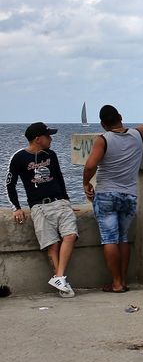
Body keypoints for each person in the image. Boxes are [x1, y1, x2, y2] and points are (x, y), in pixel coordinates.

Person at [83, 105, 143, 293]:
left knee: (109, 239)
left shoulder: (103, 140)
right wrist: (137, 129)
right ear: (120, 116)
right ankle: (123, 281)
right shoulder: (137, 135)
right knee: (123, 238)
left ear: (102, 124)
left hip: (107, 194)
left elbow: (90, 165)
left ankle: (116, 283)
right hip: (129, 194)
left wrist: (86, 183)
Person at [5, 122, 78, 297]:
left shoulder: (51, 155)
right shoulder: (19, 157)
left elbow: (59, 178)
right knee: (51, 243)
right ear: (38, 139)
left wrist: (66, 201)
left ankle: (59, 276)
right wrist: (16, 207)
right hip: (39, 206)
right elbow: (9, 184)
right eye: (48, 136)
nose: (51, 139)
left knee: (70, 235)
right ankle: (61, 281)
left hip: (59, 202)